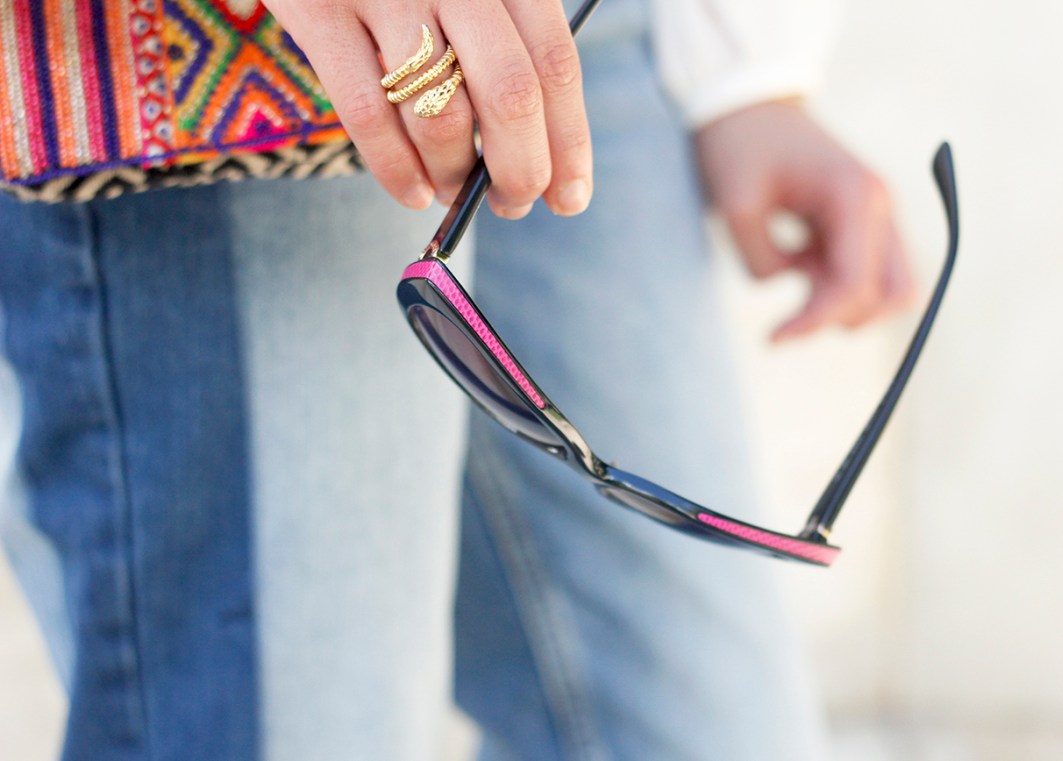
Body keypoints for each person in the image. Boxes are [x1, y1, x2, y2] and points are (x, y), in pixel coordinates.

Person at [0, 0, 912, 758]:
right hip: (248, 71)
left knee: (700, 725)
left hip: (579, 35)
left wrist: (744, 69)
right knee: (295, 719)